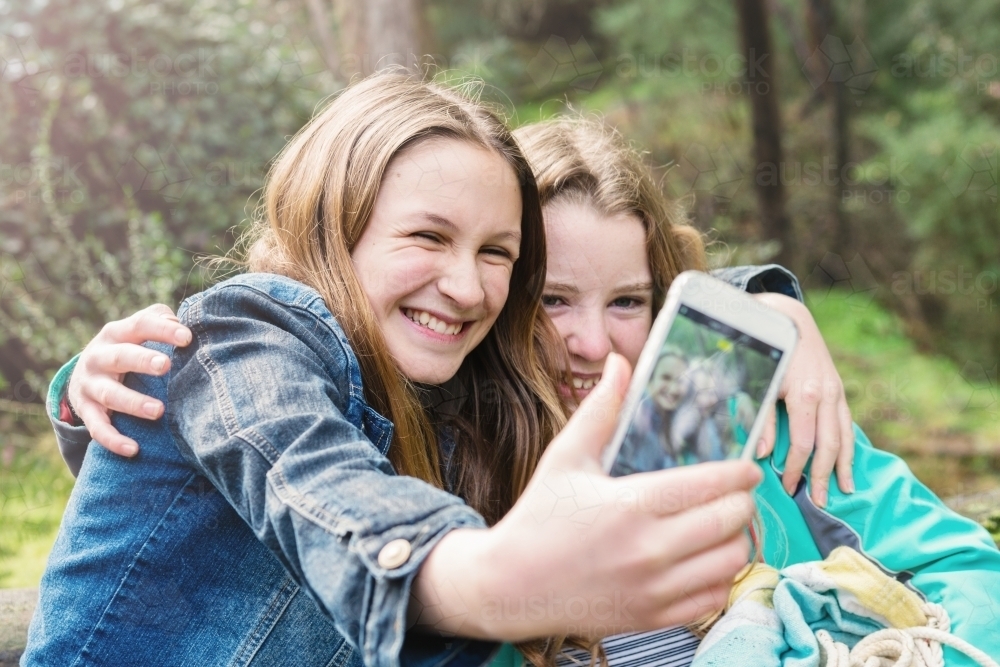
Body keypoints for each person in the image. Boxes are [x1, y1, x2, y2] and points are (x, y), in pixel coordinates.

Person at [25, 73, 763, 667]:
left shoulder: (449, 396)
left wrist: (773, 301)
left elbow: (661, 278)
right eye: (427, 236)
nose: (468, 287)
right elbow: (310, 477)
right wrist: (486, 578)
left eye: (495, 252)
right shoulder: (249, 332)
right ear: (333, 225)